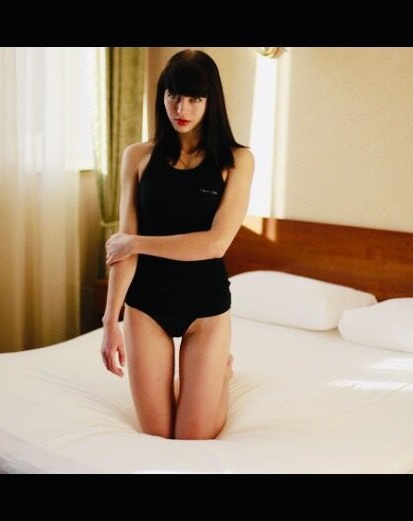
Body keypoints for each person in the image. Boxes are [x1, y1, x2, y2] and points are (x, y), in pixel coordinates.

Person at [100, 49, 254, 441]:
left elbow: (215, 244)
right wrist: (110, 321)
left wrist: (136, 242)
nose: (182, 108)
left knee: (192, 437)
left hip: (205, 308)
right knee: (156, 433)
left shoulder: (236, 160)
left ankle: (221, 372)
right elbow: (122, 252)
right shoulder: (137, 156)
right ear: (162, 95)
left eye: (194, 98)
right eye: (174, 95)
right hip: (146, 305)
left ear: (210, 101)